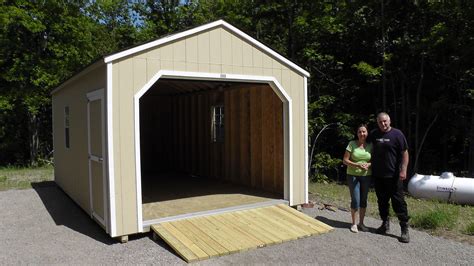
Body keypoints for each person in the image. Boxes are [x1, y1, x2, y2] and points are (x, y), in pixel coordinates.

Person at [370, 112, 410, 243]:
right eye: (380, 122)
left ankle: (404, 229)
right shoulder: (374, 134)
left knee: (398, 202)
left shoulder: (397, 134)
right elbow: (366, 149)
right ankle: (384, 224)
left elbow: (405, 153)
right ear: (377, 123)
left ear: (390, 120)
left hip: (394, 176)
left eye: (385, 121)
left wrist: (403, 170)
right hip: (378, 175)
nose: (383, 124)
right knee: (382, 201)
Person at [343, 124, 372, 233]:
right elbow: (345, 160)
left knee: (363, 200)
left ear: (367, 133)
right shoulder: (352, 144)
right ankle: (354, 224)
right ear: (357, 133)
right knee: (356, 200)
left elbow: (375, 160)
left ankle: (361, 223)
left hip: (366, 176)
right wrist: (357, 165)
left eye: (364, 132)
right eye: (360, 132)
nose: (362, 134)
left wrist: (369, 165)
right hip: (353, 175)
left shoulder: (370, 145)